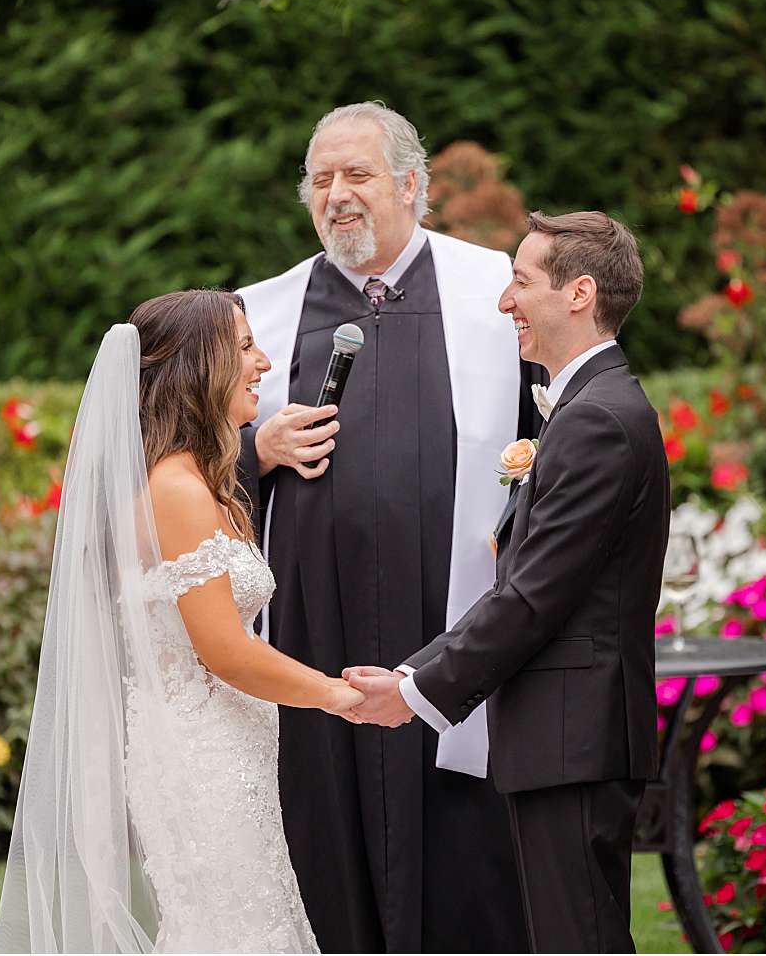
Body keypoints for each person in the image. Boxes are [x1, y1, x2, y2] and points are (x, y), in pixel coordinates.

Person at [236, 102, 537, 953]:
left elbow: (555, 432)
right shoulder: (258, 314)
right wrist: (256, 448)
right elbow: (185, 469)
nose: (337, 195)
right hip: (311, 623)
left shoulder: (498, 293)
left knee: (461, 844)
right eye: (320, 179)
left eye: (357, 174)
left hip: (454, 619)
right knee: (323, 824)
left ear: (413, 184)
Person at [0, 290, 364, 954]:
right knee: (232, 931)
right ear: (200, 366)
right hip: (202, 762)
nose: (264, 363)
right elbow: (225, 651)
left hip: (228, 755)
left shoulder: (199, 482)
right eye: (246, 347)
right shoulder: (176, 492)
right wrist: (338, 695)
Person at [346, 211, 669, 954]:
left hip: (574, 738)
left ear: (579, 292)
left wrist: (413, 691)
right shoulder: (588, 409)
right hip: (563, 738)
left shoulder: (598, 421)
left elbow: (531, 599)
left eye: (520, 284)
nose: (504, 304)